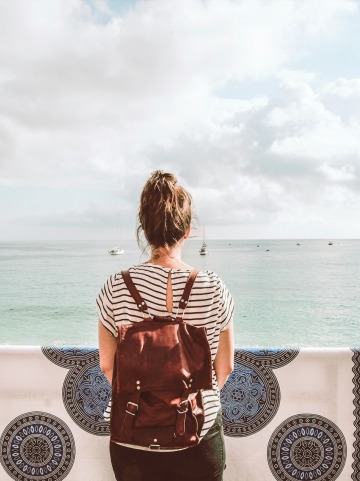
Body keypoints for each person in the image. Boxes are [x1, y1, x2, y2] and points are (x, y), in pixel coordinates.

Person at [97, 170, 235, 481]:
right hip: (198, 433)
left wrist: (150, 405)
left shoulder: (117, 286)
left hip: (132, 436)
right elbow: (224, 367)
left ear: (144, 229)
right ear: (188, 231)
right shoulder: (213, 286)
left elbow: (109, 366)